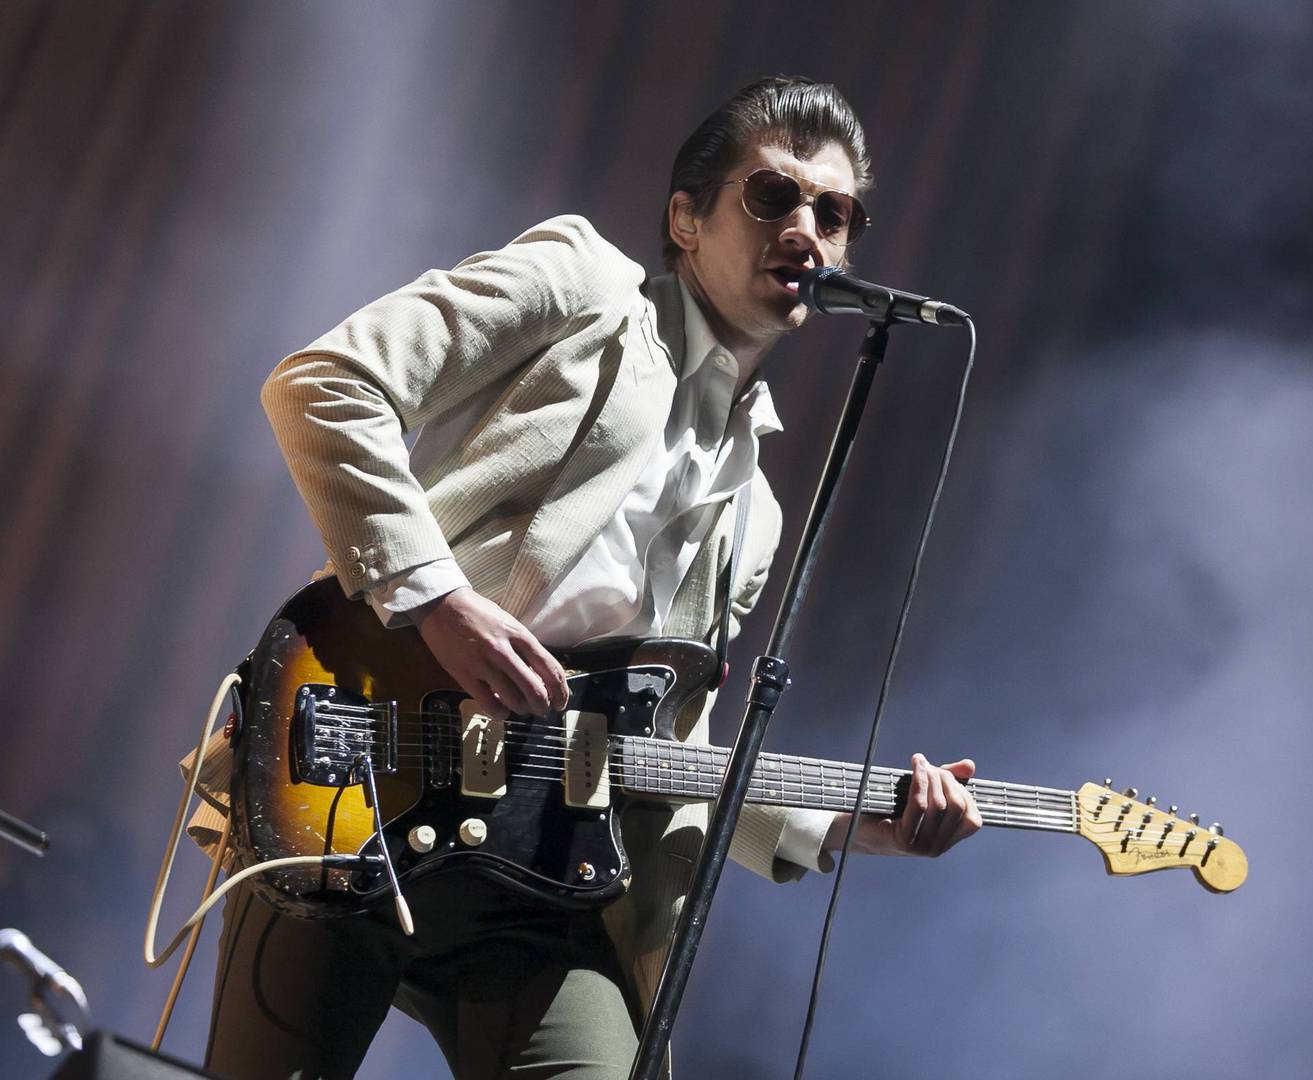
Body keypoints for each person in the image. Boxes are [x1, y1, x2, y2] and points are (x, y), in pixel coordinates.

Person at [203, 76, 982, 1079]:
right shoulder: (584, 286)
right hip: (365, 773)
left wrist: (846, 827)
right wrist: (440, 602)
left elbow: (670, 747)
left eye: (834, 215)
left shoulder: (756, 511)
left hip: (545, 882)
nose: (806, 230)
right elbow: (324, 385)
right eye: (773, 196)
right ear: (686, 220)